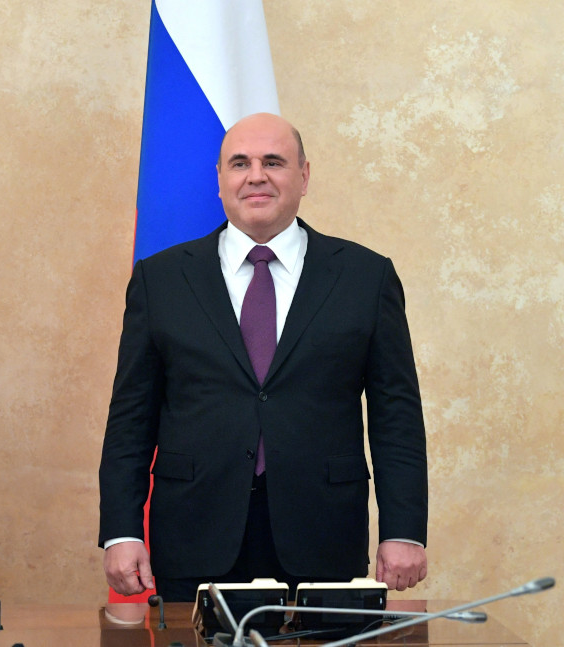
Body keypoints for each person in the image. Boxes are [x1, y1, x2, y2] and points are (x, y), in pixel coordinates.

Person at [98, 113, 428, 602]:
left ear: (304, 176)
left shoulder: (365, 277)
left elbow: (395, 416)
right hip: (194, 533)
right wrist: (122, 531)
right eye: (240, 163)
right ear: (220, 180)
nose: (256, 176)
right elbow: (131, 419)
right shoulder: (161, 279)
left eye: (273, 162)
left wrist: (404, 529)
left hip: (323, 537)